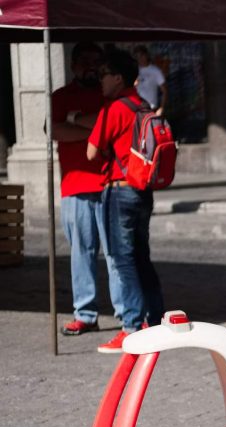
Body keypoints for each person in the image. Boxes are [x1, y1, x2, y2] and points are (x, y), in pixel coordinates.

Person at [87, 47, 163, 353]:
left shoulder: (114, 108)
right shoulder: (142, 104)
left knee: (122, 258)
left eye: (104, 74)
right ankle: (155, 319)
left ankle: (131, 327)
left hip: (119, 189)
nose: (100, 80)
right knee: (141, 255)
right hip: (143, 189)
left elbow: (91, 152)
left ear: (118, 78)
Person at [51, 42, 124, 337]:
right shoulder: (60, 97)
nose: (90, 66)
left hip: (111, 184)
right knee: (81, 251)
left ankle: (125, 312)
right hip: (75, 185)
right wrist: (96, 130)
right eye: (84, 61)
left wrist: (75, 123)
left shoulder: (108, 93)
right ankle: (85, 313)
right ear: (73, 65)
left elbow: (113, 125)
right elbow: (55, 131)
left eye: (96, 61)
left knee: (116, 253)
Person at [131, 46, 167, 114]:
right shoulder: (134, 71)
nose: (140, 59)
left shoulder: (155, 71)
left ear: (146, 55)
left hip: (151, 109)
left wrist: (161, 108)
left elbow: (164, 91)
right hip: (137, 109)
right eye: (137, 57)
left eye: (141, 55)